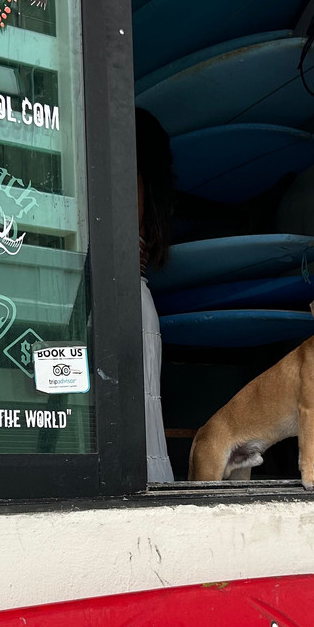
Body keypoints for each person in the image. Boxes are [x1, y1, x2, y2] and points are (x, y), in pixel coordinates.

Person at [136, 109, 175, 483]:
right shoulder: (155, 192)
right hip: (139, 299)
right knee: (145, 406)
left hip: (126, 300)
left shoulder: (129, 181)